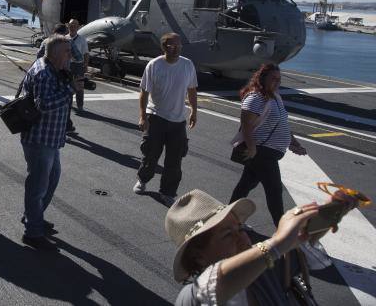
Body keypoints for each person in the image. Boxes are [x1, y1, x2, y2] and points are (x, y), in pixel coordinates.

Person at [168, 189, 359, 306]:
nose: (242, 237)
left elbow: (303, 238)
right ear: (199, 256)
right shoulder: (192, 298)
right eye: (227, 234)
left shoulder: (264, 270)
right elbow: (215, 282)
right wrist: (279, 242)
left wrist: (330, 212)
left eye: (240, 228)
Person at [230, 64, 307, 226]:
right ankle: (282, 231)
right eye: (273, 78)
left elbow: (282, 123)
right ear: (262, 78)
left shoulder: (275, 96)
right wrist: (251, 148)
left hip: (267, 152)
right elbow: (246, 125)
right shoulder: (256, 97)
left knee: (245, 186)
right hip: (261, 153)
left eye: (279, 79)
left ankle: (228, 220)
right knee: (274, 191)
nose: (277, 82)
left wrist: (293, 143)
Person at [19, 34, 73, 251]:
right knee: (38, 186)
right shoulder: (43, 73)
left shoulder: (53, 70)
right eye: (67, 51)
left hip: (50, 139)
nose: (71, 55)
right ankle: (32, 232)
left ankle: (33, 216)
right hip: (40, 139)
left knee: (51, 179)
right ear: (56, 54)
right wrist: (70, 90)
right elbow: (44, 105)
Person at [134, 32, 198, 206]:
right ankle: (143, 179)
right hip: (156, 118)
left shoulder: (187, 65)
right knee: (150, 154)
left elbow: (192, 89)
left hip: (178, 122)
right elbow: (144, 92)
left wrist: (194, 110)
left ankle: (168, 192)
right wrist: (142, 116)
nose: (176, 48)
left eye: (179, 45)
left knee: (175, 160)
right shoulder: (154, 65)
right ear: (164, 47)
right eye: (172, 45)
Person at [67, 19, 89, 112]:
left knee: (79, 86)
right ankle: (69, 104)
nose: (73, 27)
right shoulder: (64, 38)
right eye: (71, 25)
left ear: (78, 27)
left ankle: (80, 106)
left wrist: (86, 65)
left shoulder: (82, 39)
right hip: (67, 65)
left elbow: (86, 53)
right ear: (68, 26)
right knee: (68, 85)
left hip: (78, 66)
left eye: (75, 25)